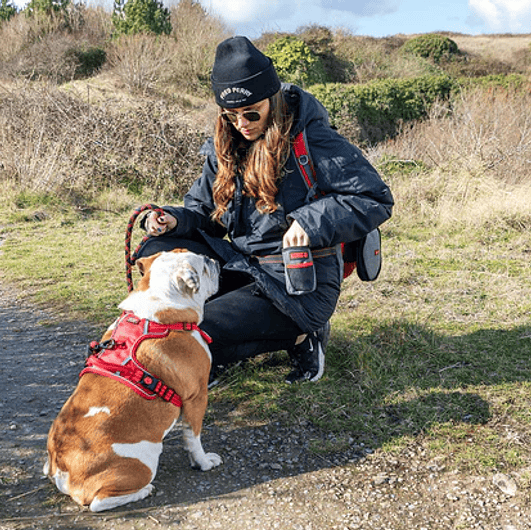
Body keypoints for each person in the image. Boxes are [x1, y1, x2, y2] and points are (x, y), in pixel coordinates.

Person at [137, 36, 393, 385]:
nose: (241, 124)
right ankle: (215, 350)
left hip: (299, 281)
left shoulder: (311, 138)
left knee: (199, 326)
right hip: (243, 267)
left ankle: (304, 336)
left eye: (251, 113)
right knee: (155, 251)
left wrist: (309, 220)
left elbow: (374, 197)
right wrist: (173, 219)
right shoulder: (227, 144)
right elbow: (204, 216)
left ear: (271, 100)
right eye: (231, 115)